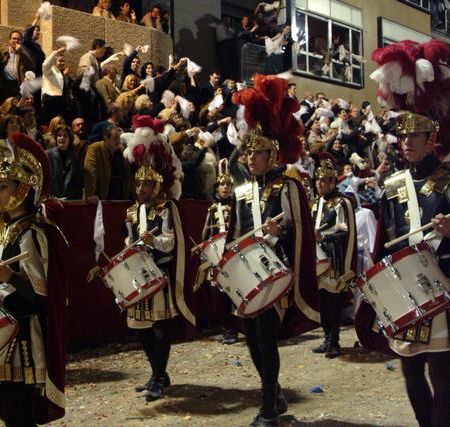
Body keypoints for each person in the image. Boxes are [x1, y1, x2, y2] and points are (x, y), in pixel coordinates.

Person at [355, 39, 450, 427]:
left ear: (432, 139)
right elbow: (383, 238)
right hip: (401, 286)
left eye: (416, 137)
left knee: (439, 373)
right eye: (403, 137)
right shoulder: (391, 184)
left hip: (440, 284)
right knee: (410, 371)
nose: (407, 142)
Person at [230, 75, 319, 427]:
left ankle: (268, 406)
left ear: (272, 154)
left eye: (258, 153)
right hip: (246, 272)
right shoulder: (241, 192)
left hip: (274, 272)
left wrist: (278, 231)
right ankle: (275, 391)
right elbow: (236, 231)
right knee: (251, 339)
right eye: (248, 152)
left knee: (266, 339)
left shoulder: (287, 186)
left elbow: (299, 231)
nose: (251, 158)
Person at [0, 132, 67, 426]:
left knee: (16, 412)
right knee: (1, 402)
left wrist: (11, 276)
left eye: (3, 186)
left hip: (22, 337)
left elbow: (42, 295)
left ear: (22, 190)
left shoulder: (32, 233)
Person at [121, 115, 193, 402]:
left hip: (160, 275)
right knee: (140, 330)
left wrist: (154, 241)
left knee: (161, 329)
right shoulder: (132, 212)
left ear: (155, 186)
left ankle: (158, 377)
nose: (141, 190)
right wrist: (130, 245)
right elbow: (128, 239)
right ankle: (157, 373)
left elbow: (172, 243)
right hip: (140, 274)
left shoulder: (165, 209)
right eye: (138, 187)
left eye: (145, 187)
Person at [310, 153, 357, 358]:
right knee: (321, 300)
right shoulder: (315, 203)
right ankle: (327, 338)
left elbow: (348, 233)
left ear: (332, 181)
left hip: (334, 257)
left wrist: (325, 238)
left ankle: (335, 342)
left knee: (333, 301)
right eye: (317, 179)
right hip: (317, 257)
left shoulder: (342, 202)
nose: (319, 183)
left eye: (323, 180)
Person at [201, 160, 237, 344]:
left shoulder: (237, 207)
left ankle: (237, 328)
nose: (225, 188)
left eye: (228, 185)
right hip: (217, 258)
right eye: (222, 184)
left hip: (233, 256)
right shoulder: (212, 209)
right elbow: (206, 233)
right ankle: (227, 329)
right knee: (220, 295)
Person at [83, 124, 133, 200]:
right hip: (101, 199)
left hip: (120, 199)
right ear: (106, 138)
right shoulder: (95, 149)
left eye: (119, 138)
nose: (118, 141)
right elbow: (90, 173)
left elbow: (128, 174)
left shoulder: (122, 150)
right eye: (115, 138)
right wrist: (90, 195)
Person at [45, 125, 83, 199]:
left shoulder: (75, 159)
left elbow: (78, 183)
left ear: (70, 139)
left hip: (69, 202)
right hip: (52, 201)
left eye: (65, 136)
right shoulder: (48, 155)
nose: (62, 138)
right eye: (59, 135)